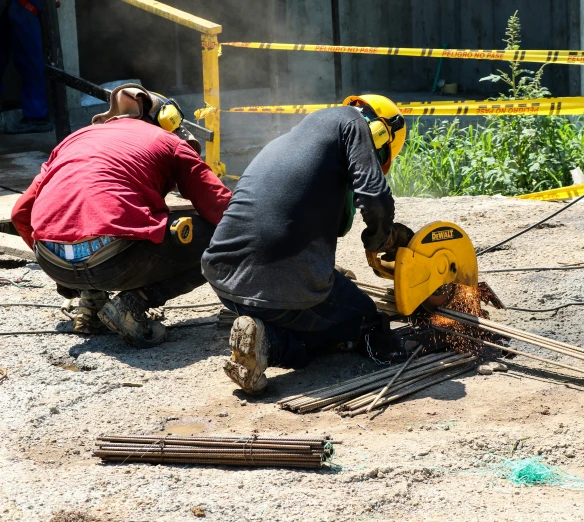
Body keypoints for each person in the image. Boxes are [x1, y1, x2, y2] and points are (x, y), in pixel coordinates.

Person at [202, 94, 412, 394]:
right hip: (276, 290)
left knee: (324, 293)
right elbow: (376, 200)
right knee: (364, 319)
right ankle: (270, 344)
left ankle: (260, 323)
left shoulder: (296, 137)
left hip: (224, 280)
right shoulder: (355, 125)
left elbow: (334, 224)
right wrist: (380, 238)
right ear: (380, 134)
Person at [11, 84, 232, 347]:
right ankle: (135, 302)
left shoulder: (74, 140)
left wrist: (59, 261)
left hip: (53, 265)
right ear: (163, 120)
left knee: (96, 223)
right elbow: (222, 210)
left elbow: (20, 213)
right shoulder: (169, 141)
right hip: (116, 263)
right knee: (213, 236)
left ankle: (91, 303)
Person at [0, 0, 52, 133]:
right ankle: (36, 114)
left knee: (29, 59)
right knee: (25, 57)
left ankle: (37, 116)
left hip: (25, 4)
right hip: (18, 6)